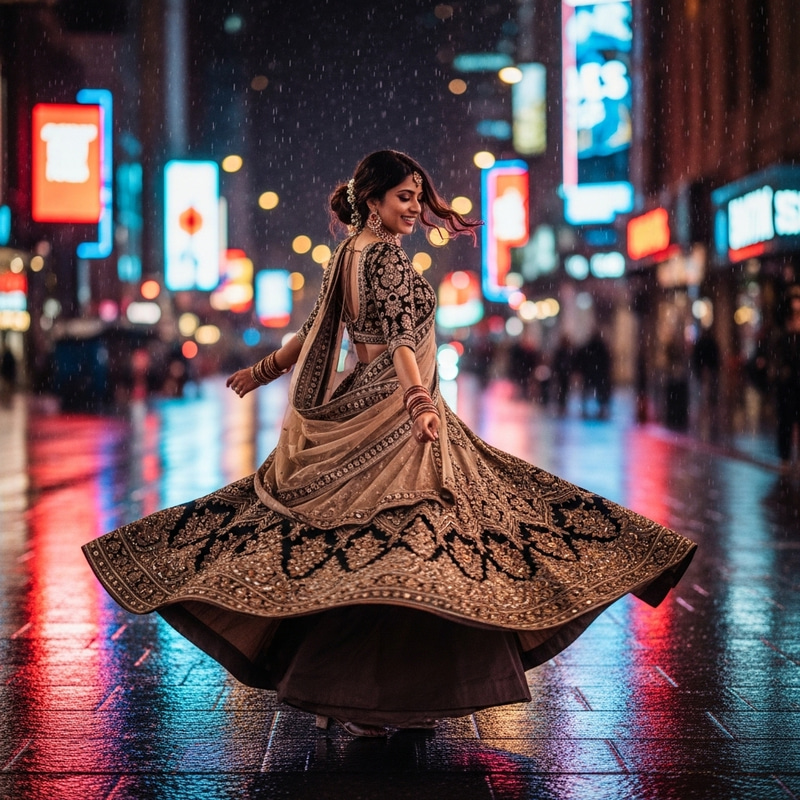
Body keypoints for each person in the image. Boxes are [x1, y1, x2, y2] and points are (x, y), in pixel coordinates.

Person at [82, 150, 696, 738]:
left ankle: (351, 689)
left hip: (368, 403)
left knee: (353, 546)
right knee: (445, 535)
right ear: (371, 200)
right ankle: (389, 693)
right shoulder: (384, 260)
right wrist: (419, 403)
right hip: (394, 416)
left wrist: (262, 370)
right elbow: (400, 339)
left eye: (419, 199)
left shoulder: (347, 253)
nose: (416, 210)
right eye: (405, 198)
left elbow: (314, 328)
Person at [775, 286, 800, 466]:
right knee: (786, 418)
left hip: (793, 381)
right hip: (787, 383)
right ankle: (785, 456)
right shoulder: (783, 335)